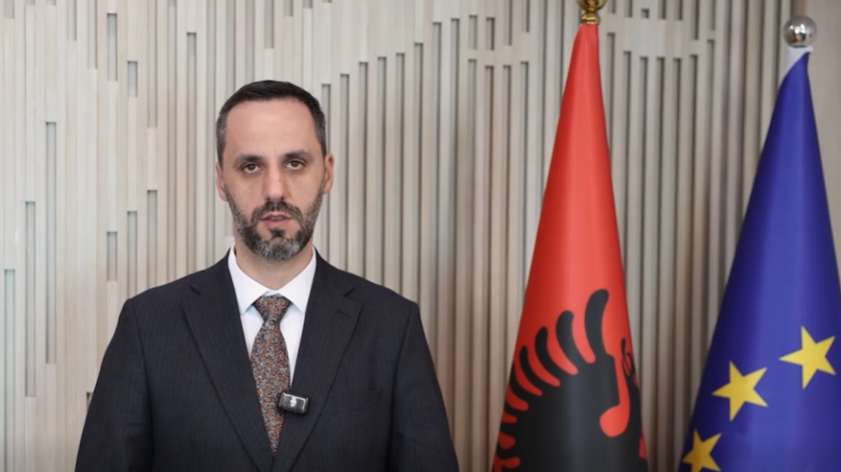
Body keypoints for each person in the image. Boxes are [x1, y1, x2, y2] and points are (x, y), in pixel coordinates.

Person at [74, 80, 459, 472]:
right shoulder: (147, 326)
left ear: (326, 173)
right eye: (251, 166)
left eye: (295, 163)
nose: (275, 190)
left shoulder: (392, 326)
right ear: (221, 180)